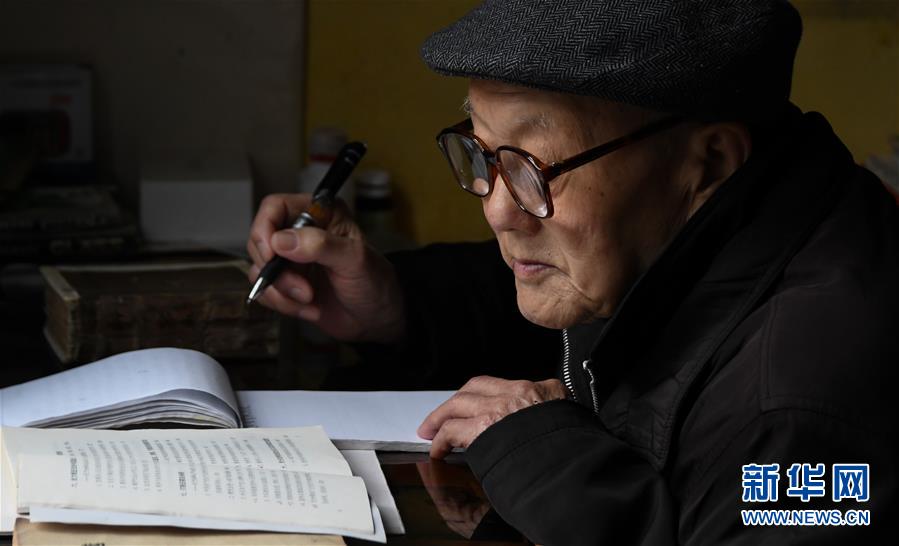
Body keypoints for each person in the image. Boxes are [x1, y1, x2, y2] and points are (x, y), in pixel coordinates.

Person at [247, 1, 898, 543]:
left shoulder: (802, 414)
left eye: (534, 167)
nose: (497, 209)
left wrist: (551, 464)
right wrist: (398, 304)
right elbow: (590, 313)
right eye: (483, 153)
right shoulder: (701, 228)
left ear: (708, 161)